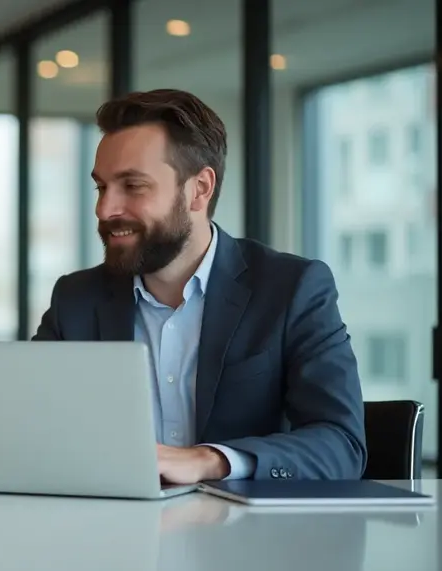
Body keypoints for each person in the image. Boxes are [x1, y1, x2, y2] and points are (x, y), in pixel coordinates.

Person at [33, 89, 366, 483]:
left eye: (133, 186)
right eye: (102, 187)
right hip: (113, 533)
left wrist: (210, 460)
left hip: (248, 537)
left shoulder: (292, 289)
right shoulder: (75, 300)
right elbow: (32, 430)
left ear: (199, 189)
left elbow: (342, 445)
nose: (106, 209)